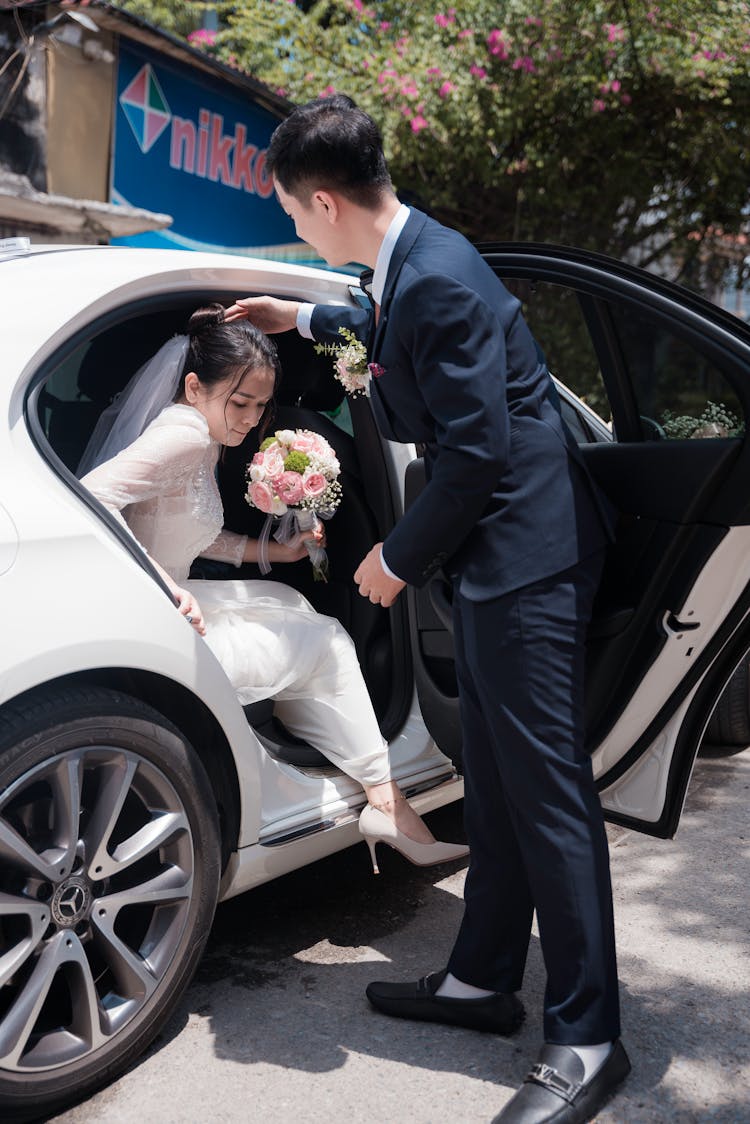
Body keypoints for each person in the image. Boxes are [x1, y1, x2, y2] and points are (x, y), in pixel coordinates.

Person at [225, 96, 630, 1124]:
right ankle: (483, 980)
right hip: (498, 555)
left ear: (323, 201)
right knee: (492, 784)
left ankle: (588, 1036)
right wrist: (303, 317)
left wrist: (395, 561)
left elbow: (481, 453)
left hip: (528, 558)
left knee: (547, 796)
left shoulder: (438, 275)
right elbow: (381, 324)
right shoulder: (410, 258)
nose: (298, 230)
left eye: (293, 213)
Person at [79, 304, 469, 870]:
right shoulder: (185, 435)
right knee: (327, 639)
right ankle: (389, 803)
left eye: (260, 407)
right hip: (155, 619)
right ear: (194, 385)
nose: (248, 419)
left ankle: (378, 794)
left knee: (290, 601)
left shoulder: (202, 431)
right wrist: (167, 587)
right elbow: (91, 501)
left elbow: (182, 527)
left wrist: (274, 552)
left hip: (161, 602)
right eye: (240, 404)